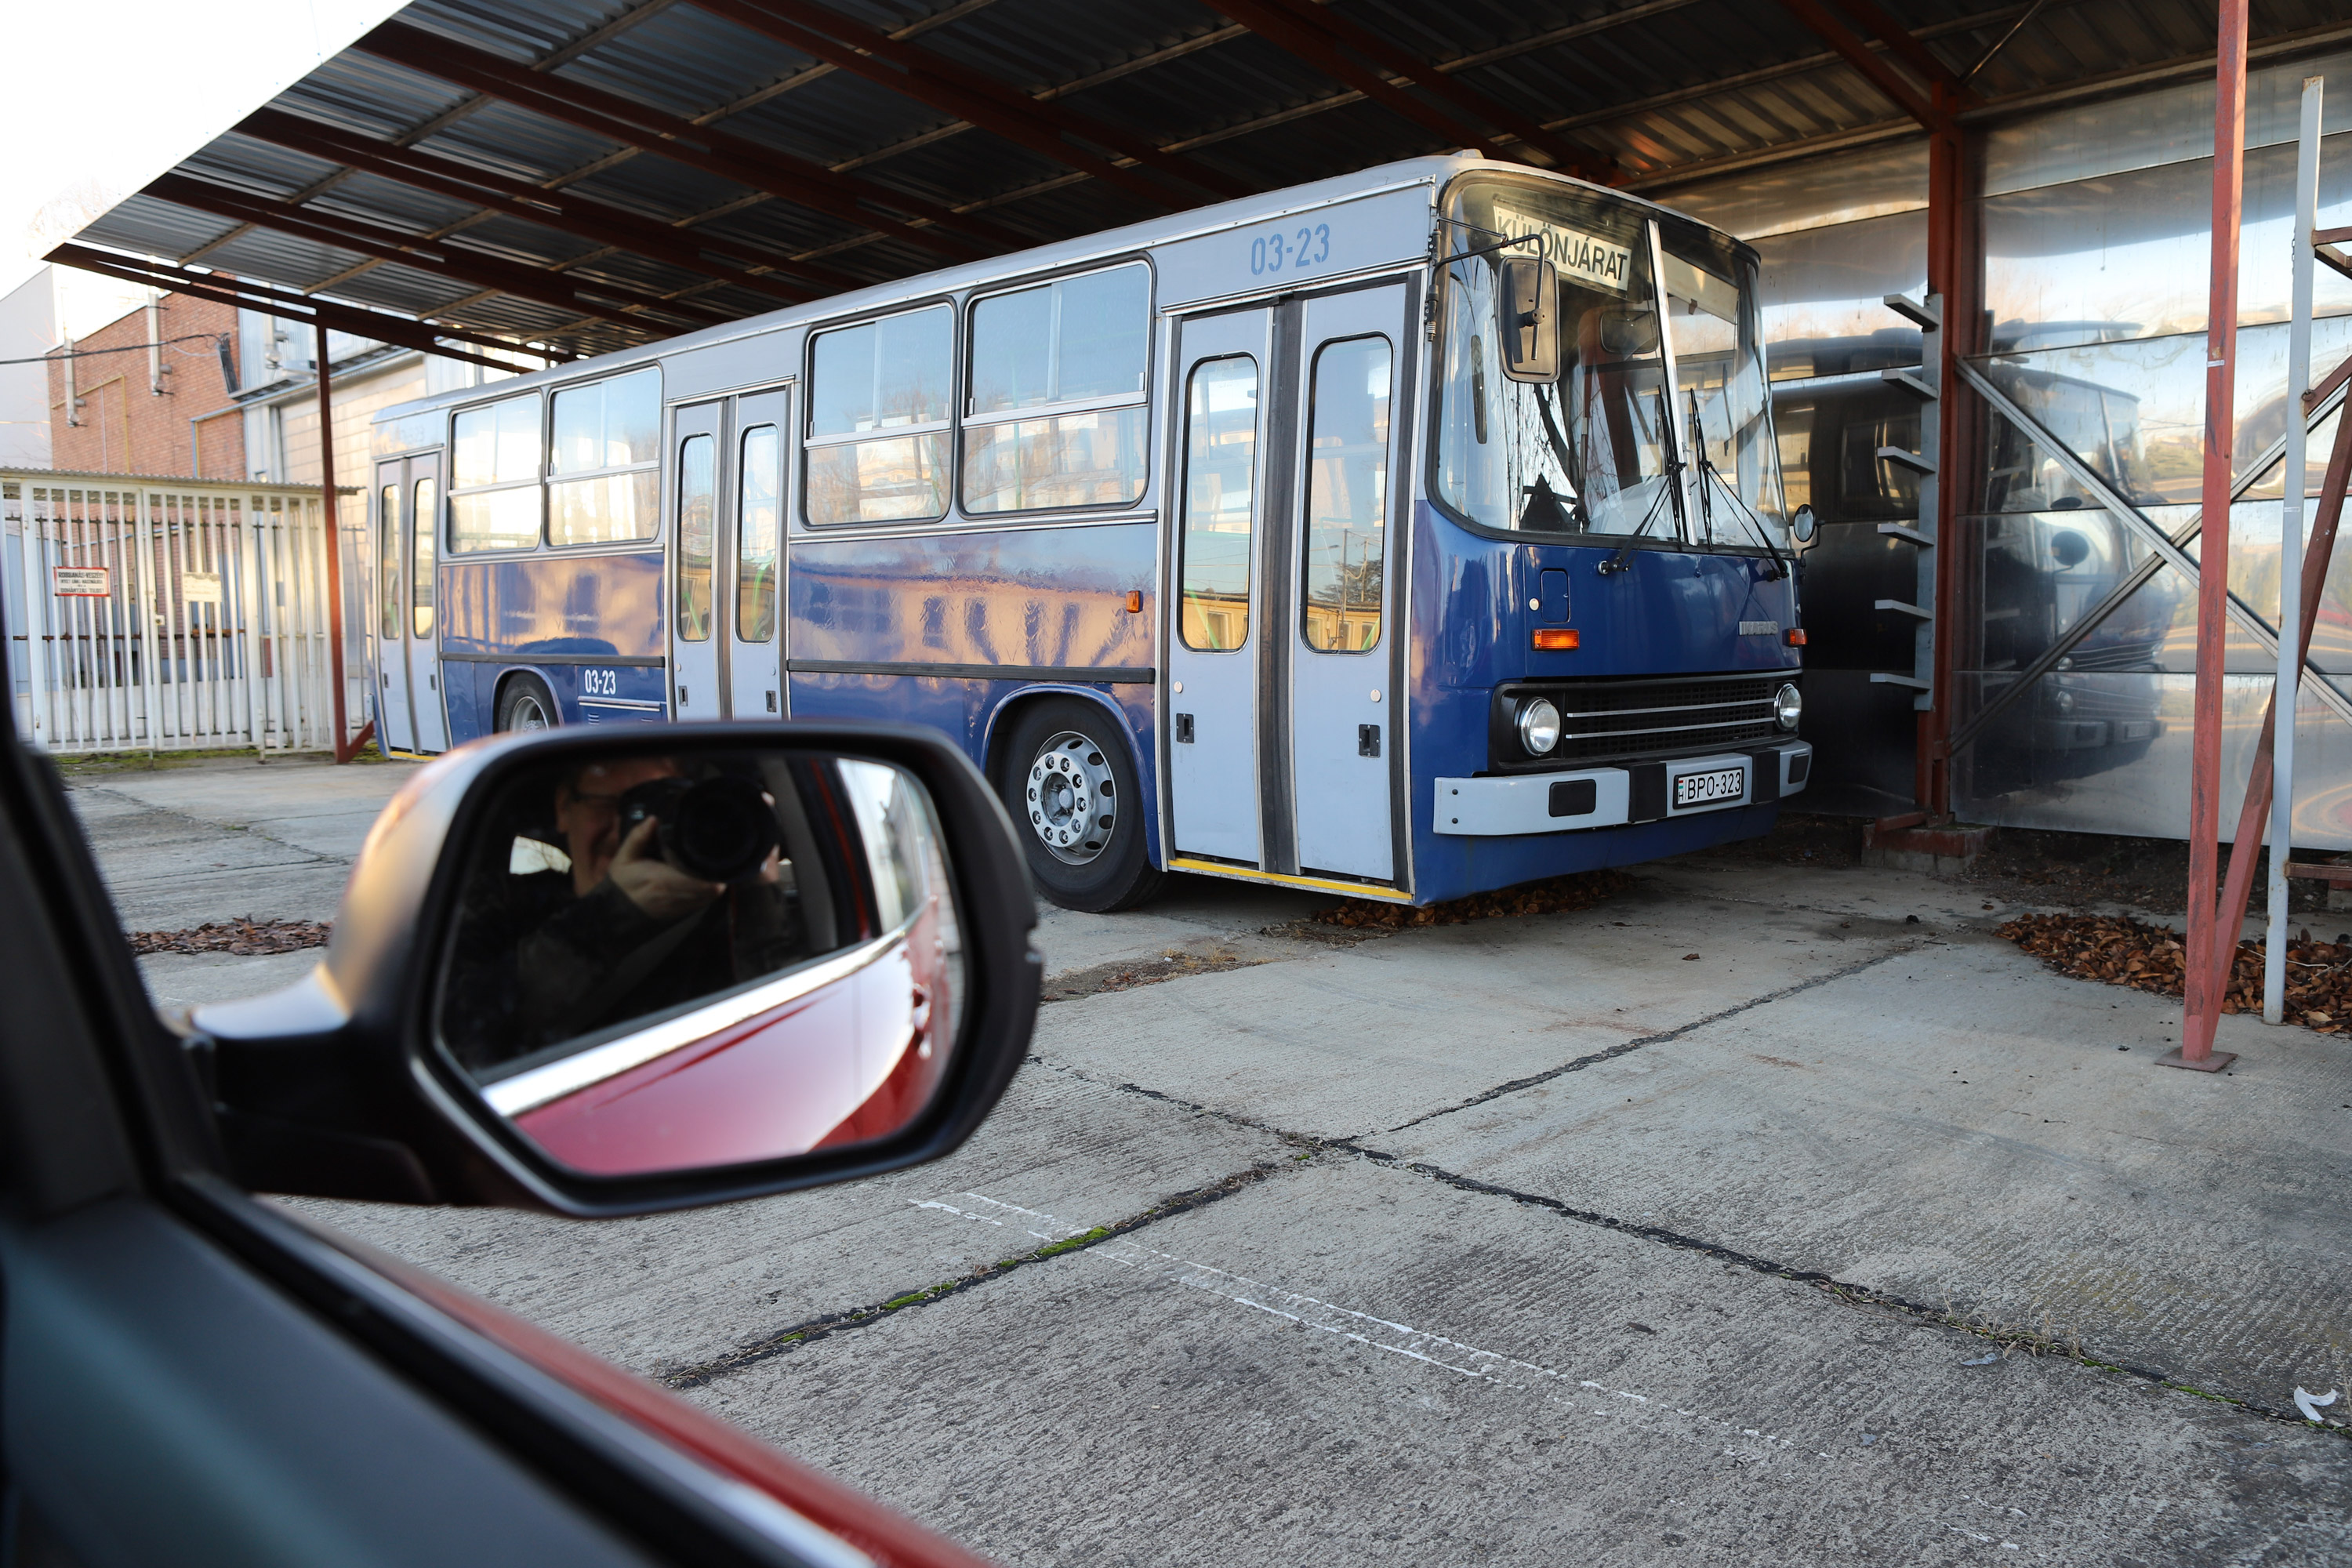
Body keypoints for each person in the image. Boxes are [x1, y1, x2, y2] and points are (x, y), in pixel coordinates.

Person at [441, 754, 802, 1075]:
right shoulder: (503, 903)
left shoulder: (727, 914)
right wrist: (612, 913)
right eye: (605, 804)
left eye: (651, 806)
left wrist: (755, 880)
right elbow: (458, 1036)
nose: (621, 832)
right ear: (563, 808)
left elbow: (789, 1040)